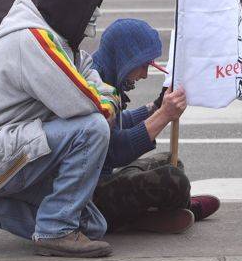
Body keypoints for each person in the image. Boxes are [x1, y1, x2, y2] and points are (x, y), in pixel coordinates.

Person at [0, 0, 124, 257]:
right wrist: (105, 103)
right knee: (93, 128)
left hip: (13, 149)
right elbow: (84, 103)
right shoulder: (32, 41)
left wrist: (105, 99)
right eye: (87, 16)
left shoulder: (61, 45)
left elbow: (97, 83)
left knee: (93, 226)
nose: (89, 26)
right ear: (69, 11)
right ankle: (55, 231)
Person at [87, 18, 220, 234]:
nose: (145, 74)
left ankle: (152, 212)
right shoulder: (95, 85)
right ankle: (142, 215)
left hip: (102, 180)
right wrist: (164, 115)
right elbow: (114, 151)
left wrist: (156, 107)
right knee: (173, 179)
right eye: (143, 65)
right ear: (126, 57)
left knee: (171, 161)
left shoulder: (105, 74)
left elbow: (119, 124)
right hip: (89, 198)